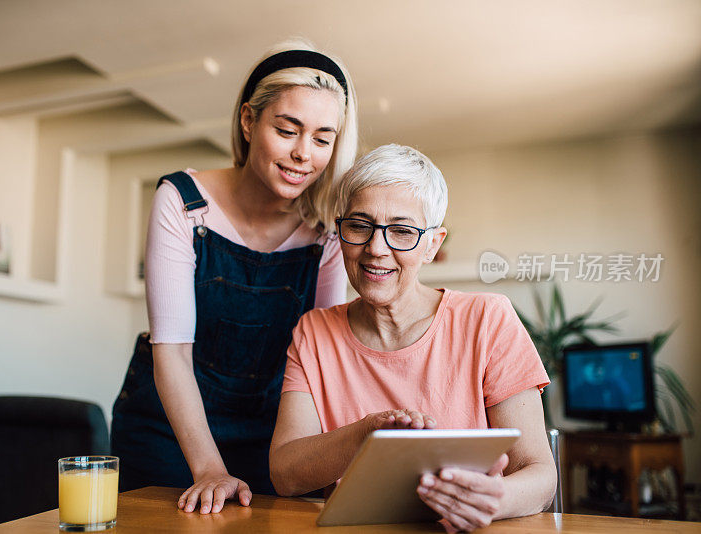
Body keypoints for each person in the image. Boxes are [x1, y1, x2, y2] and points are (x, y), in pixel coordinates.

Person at [110, 40, 358, 515]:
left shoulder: (327, 231)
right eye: (287, 130)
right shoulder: (183, 202)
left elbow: (322, 361)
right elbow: (173, 352)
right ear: (249, 121)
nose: (303, 154)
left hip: (271, 430)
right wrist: (208, 469)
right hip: (167, 429)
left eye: (323, 139)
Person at [269, 144, 557, 532]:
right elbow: (285, 474)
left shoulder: (488, 318)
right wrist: (367, 435)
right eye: (359, 225)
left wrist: (491, 500)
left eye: (402, 231)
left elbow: (538, 472)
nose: (375, 249)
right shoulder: (314, 331)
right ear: (340, 231)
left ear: (431, 245)